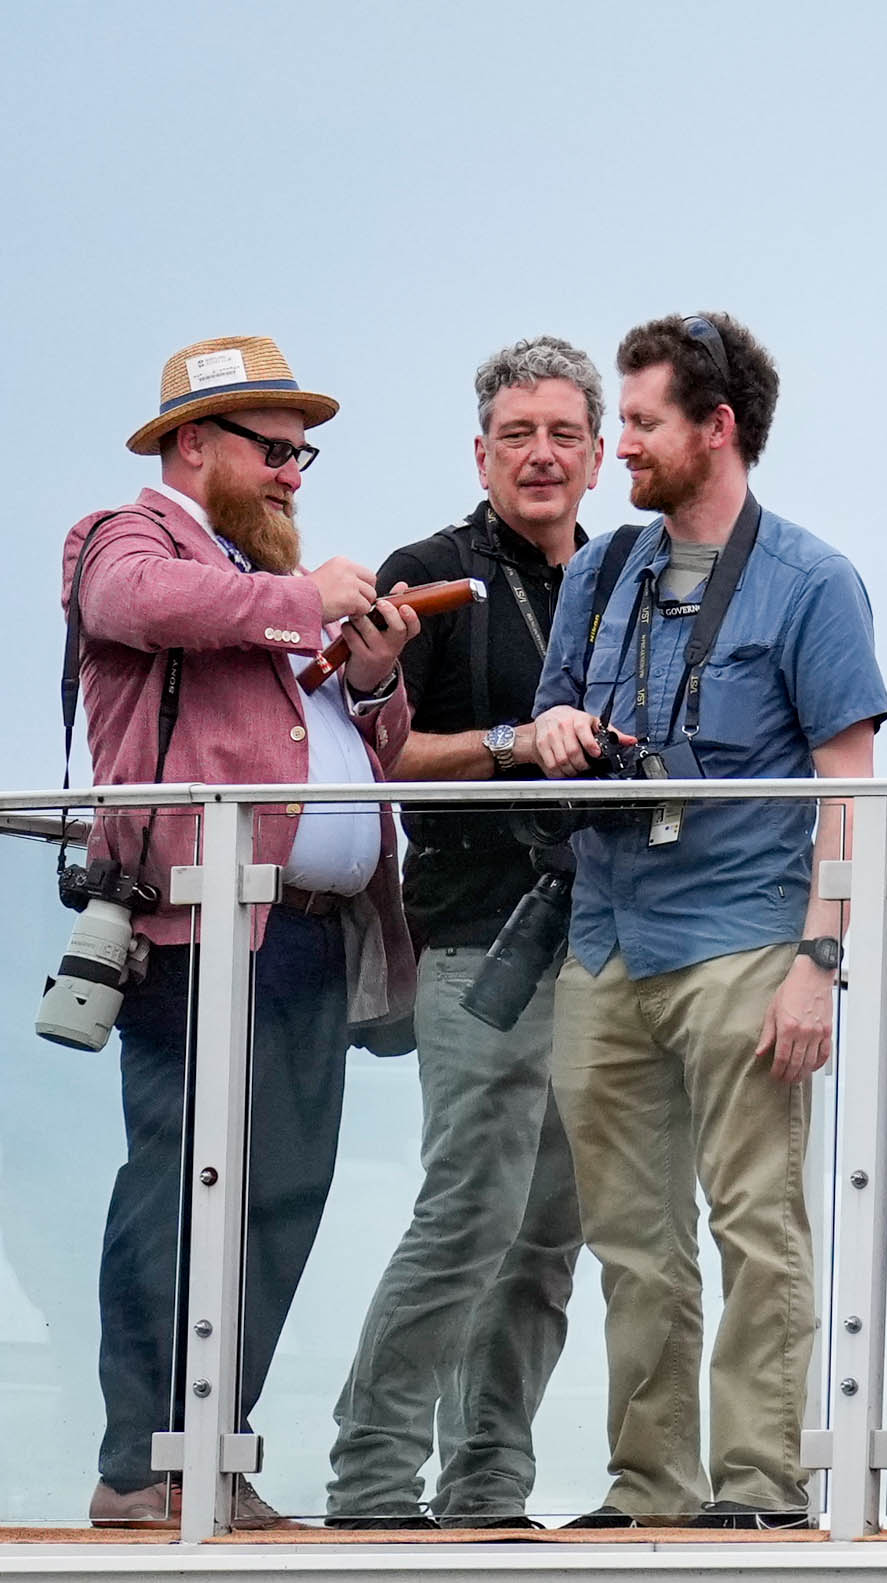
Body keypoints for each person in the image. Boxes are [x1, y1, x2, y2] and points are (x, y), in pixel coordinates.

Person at [529, 313, 887, 1530]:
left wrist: (818, 962)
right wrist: (558, 734)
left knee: (755, 1224)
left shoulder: (811, 580)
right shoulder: (599, 569)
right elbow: (543, 730)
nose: (613, 446)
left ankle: (757, 1487)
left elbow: (852, 794)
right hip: (605, 936)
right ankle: (650, 1491)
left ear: (715, 429)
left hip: (741, 936)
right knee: (630, 1240)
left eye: (638, 422)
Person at [65, 335, 422, 1528]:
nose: (291, 474)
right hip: (192, 925)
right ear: (191, 445)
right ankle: (138, 1463)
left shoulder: (251, 582)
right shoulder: (131, 535)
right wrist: (300, 599)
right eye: (272, 451)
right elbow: (136, 605)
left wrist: (367, 678)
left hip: (305, 930)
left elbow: (342, 748)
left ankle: (210, 1451)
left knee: (281, 1192)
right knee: (176, 1184)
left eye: (300, 452)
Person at [326, 337, 608, 1529]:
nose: (539, 454)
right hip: (476, 937)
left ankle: (487, 1487)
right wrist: (514, 738)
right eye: (516, 434)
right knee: (468, 1213)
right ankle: (373, 1481)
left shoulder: (625, 574)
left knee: (546, 1238)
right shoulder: (428, 572)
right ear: (479, 452)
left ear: (598, 455)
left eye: (562, 434)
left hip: (602, 940)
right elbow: (382, 753)